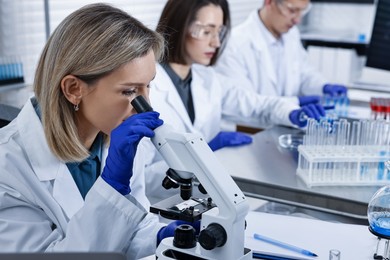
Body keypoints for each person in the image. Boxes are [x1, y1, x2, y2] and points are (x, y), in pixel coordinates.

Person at [0, 3, 196, 259]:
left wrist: (157, 236)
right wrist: (112, 186)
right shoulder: (8, 169)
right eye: (129, 91)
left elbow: (126, 229)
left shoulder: (117, 138)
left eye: (148, 86)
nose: (145, 108)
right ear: (73, 89)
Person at [143, 0, 325, 202]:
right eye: (206, 32)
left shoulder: (207, 78)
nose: (216, 43)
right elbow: (141, 180)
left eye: (218, 32)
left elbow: (255, 104)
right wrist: (200, 156)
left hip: (206, 200)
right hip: (162, 211)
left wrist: (291, 112)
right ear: (180, 26)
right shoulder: (146, 90)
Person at [215, 0, 348, 107]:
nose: (297, 20)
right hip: (252, 129)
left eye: (302, 11)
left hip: (283, 125)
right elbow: (244, 102)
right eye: (292, 10)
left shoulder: (291, 34)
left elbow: (303, 72)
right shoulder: (235, 44)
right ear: (269, 2)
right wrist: (288, 106)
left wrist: (323, 86)